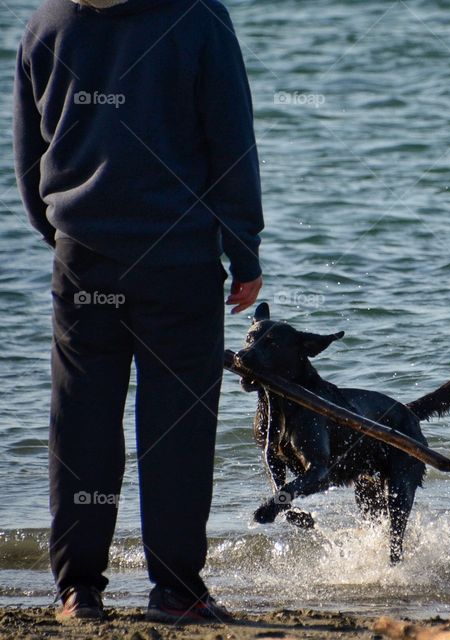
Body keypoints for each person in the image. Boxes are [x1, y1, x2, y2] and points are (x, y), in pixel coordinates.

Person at [13, 0, 264, 624]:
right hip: (177, 256)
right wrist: (244, 248)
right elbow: (230, 139)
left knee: (81, 421)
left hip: (82, 255)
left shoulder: (49, 21)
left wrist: (60, 233)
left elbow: (27, 151)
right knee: (176, 427)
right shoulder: (199, 16)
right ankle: (176, 590)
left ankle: (79, 591)